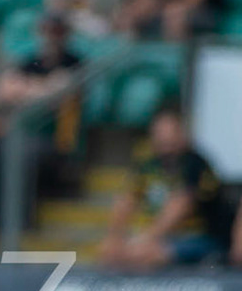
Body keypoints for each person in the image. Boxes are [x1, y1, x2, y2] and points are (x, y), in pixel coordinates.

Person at [101, 109, 241, 268]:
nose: (164, 139)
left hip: (205, 238)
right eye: (160, 133)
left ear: (182, 134)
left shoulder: (195, 164)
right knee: (111, 253)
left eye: (169, 133)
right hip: (165, 238)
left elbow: (181, 206)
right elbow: (126, 199)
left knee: (147, 255)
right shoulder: (149, 164)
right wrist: (115, 237)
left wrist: (146, 238)